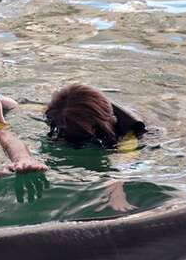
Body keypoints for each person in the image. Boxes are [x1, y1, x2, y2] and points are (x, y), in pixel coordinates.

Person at [41, 83, 148, 212]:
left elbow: (125, 160)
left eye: (80, 131)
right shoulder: (58, 112)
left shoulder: (129, 134)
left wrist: (116, 188)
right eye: (62, 127)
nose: (67, 134)